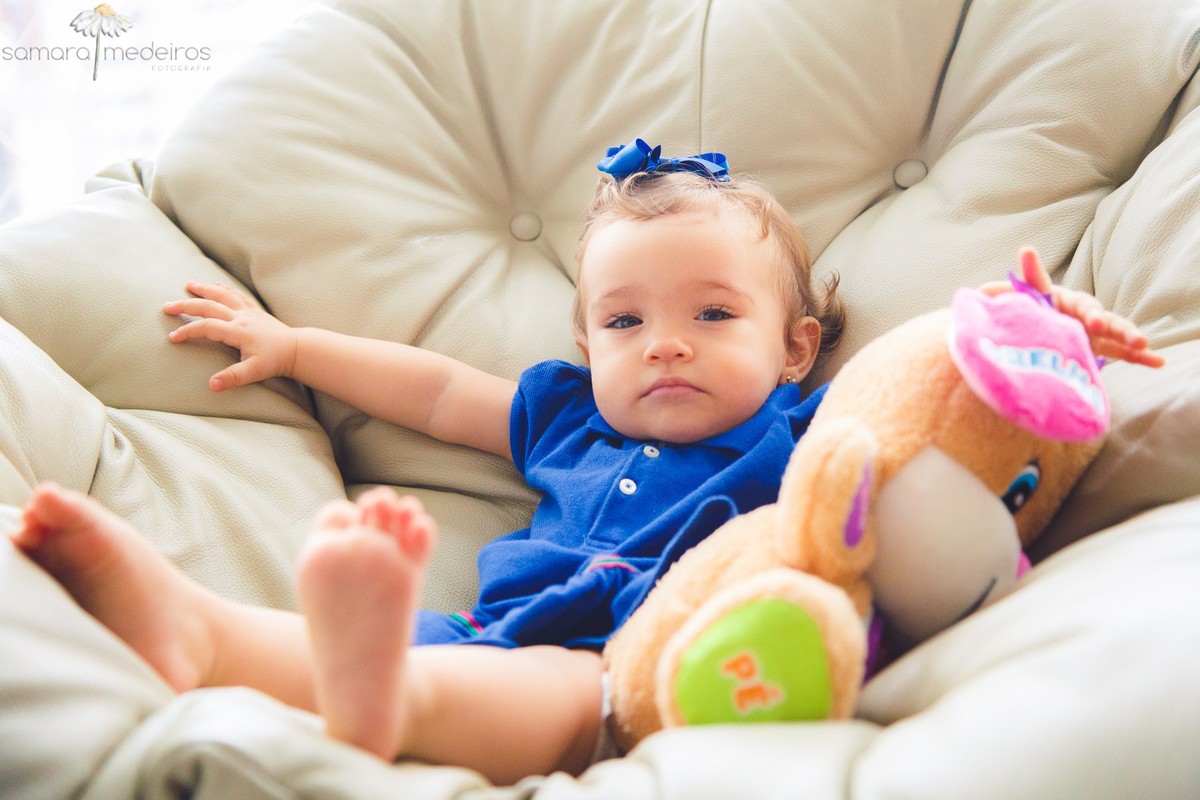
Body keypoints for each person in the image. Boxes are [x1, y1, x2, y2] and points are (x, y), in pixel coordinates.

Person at [9, 139, 1162, 785]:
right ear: (583, 346)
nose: (664, 341)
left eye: (712, 313)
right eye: (623, 323)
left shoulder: (800, 430)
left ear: (796, 343)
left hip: (628, 662)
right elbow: (436, 388)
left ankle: (373, 703)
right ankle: (204, 630)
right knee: (387, 646)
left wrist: (1034, 318)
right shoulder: (564, 417)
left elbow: (928, 382)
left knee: (553, 697)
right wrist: (296, 346)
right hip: (488, 623)